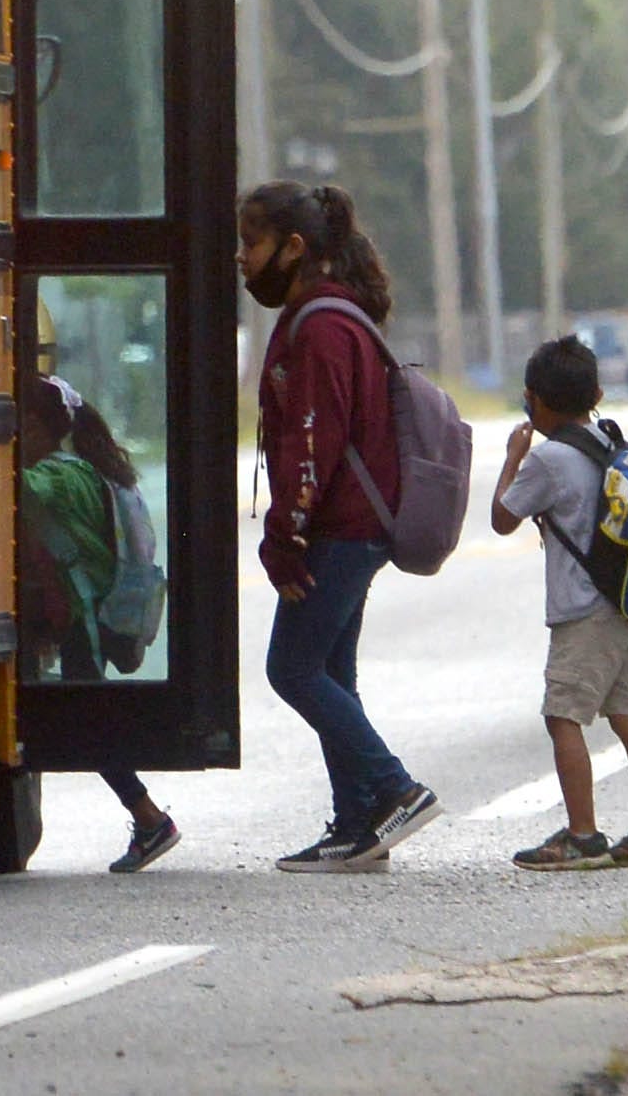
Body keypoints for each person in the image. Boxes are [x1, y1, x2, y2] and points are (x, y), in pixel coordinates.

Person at [243, 182, 441, 873]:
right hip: (353, 524)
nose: (242, 259)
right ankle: (360, 823)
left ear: (294, 249)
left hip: (343, 528)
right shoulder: (332, 316)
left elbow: (311, 438)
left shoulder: (322, 325)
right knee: (330, 668)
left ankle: (393, 787)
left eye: (252, 243)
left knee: (291, 668)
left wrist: (285, 530)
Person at [492, 335, 628, 871]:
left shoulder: (547, 459)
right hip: (625, 604)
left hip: (582, 612)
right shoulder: (607, 440)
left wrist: (513, 458)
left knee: (563, 716)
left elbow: (502, 518)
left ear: (534, 399)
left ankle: (582, 835)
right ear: (597, 392)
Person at [13, 375, 183, 872]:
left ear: (38, 426)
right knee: (85, 716)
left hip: (81, 620)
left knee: (87, 721)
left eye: (19, 424)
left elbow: (11, 484)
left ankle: (150, 817)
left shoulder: (61, 477)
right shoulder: (85, 470)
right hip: (82, 616)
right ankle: (147, 815)